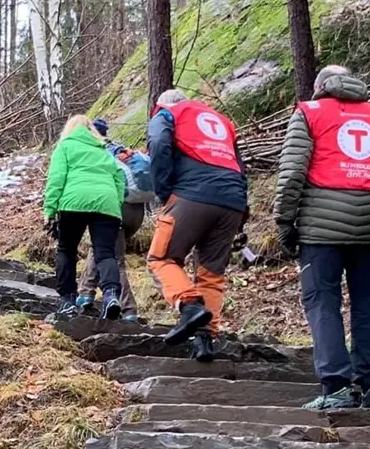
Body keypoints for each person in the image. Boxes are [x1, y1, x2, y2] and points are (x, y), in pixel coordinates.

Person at [274, 64, 370, 410]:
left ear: (320, 86)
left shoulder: (310, 112)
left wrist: (285, 221)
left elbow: (292, 172)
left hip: (320, 227)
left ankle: (337, 387)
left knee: (322, 301)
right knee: (369, 304)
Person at [146, 88, 248, 361]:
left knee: (161, 258)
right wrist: (242, 207)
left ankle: (189, 305)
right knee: (211, 273)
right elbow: (239, 165)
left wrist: (164, 190)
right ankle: (205, 340)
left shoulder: (167, 114)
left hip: (190, 196)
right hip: (232, 202)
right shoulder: (221, 122)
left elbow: (157, 144)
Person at [43, 114, 127, 318]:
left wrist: (50, 209)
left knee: (66, 249)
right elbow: (119, 178)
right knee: (105, 253)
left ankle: (67, 300)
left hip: (73, 202)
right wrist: (115, 203)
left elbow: (56, 179)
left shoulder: (65, 147)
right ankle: (111, 295)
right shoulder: (103, 150)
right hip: (106, 203)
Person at [78, 119, 147, 322]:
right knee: (102, 247)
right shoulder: (120, 152)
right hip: (136, 212)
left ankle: (128, 309)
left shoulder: (94, 153)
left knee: (115, 260)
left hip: (113, 208)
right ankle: (85, 293)